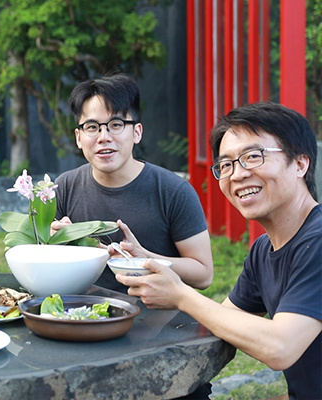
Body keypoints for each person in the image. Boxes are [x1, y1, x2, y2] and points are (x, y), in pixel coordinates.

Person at [116, 102, 321, 399]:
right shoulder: (264, 249)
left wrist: (181, 295)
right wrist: (147, 263)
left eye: (253, 156)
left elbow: (280, 347)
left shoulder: (317, 241)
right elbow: (221, 320)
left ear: (300, 164)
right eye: (226, 165)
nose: (236, 174)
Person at [52, 74, 213, 293]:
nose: (103, 137)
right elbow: (45, 263)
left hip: (156, 312)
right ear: (79, 137)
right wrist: (54, 244)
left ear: (136, 132)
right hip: (81, 310)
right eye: (92, 127)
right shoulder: (64, 187)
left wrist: (144, 258)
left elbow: (203, 275)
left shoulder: (173, 191)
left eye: (116, 124)